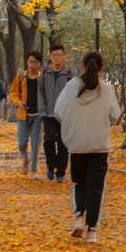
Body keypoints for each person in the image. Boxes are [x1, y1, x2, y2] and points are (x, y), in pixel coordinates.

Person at [54, 50, 119, 243]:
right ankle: (92, 231)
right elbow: (115, 116)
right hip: (99, 146)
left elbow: (58, 112)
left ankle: (79, 218)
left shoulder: (70, 87)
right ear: (101, 68)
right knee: (96, 188)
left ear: (83, 66)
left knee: (79, 184)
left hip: (77, 146)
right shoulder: (106, 89)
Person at [40, 44, 73, 181]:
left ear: (64, 57)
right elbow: (40, 92)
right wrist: (42, 109)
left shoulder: (69, 74)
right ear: (50, 57)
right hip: (48, 114)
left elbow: (73, 94)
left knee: (63, 143)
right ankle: (50, 166)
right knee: (48, 141)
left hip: (64, 115)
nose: (57, 58)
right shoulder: (44, 73)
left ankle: (60, 171)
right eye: (54, 55)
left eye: (60, 55)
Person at [10, 50, 44, 176]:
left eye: (35, 62)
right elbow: (13, 93)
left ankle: (33, 170)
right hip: (23, 115)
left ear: (39, 64)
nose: (32, 65)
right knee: (22, 143)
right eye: (30, 62)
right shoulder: (21, 77)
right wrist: (18, 102)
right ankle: (25, 158)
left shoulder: (42, 78)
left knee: (35, 144)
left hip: (38, 116)